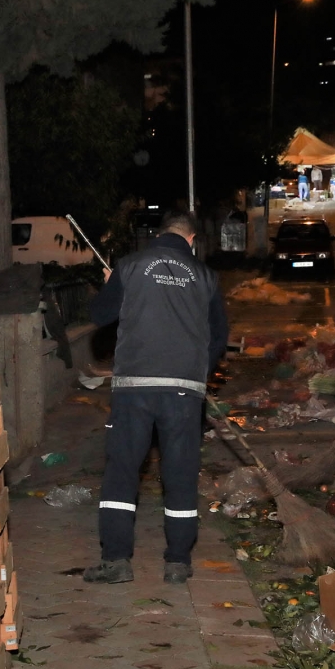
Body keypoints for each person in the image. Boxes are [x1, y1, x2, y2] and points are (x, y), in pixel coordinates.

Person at [83, 209, 229, 585]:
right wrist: (198, 372)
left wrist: (109, 284)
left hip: (135, 388)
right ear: (191, 239)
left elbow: (100, 315)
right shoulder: (206, 276)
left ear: (160, 234)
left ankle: (116, 562)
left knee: (122, 471)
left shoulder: (130, 266)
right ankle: (177, 562)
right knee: (180, 472)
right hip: (184, 391)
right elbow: (218, 336)